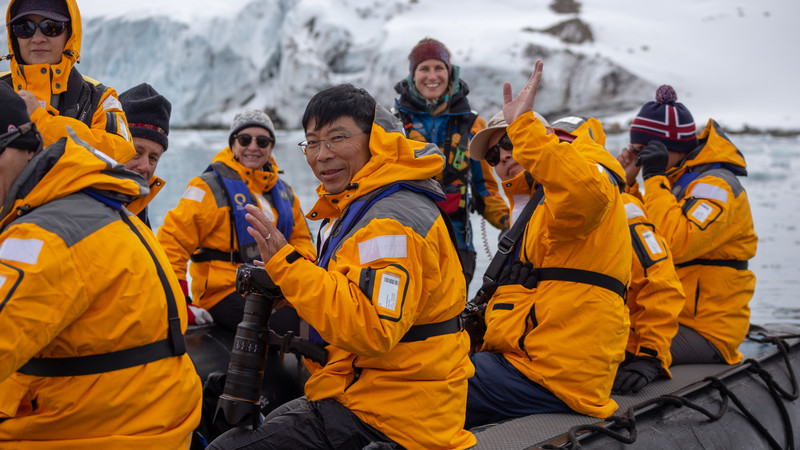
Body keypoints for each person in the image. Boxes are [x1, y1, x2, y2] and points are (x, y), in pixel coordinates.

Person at [208, 84, 475, 449]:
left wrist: (289, 268)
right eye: (312, 142)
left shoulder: (390, 221)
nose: (322, 155)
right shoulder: (362, 205)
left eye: (337, 138)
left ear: (375, 141)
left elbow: (371, 329)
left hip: (394, 416)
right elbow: (346, 287)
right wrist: (291, 282)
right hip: (368, 391)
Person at [0, 83, 201, 447]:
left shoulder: (45, 234)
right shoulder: (101, 210)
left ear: (27, 147)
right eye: (136, 152)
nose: (143, 165)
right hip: (146, 421)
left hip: (99, 431)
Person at [464, 60, 631, 428]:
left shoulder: (584, 176)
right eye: (494, 155)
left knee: (424, 388)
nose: (504, 156)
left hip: (555, 374)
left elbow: (581, 195)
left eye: (509, 143)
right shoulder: (529, 209)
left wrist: (527, 130)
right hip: (527, 362)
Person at [618, 85, 757, 365]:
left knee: (612, 352)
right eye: (635, 149)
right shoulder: (673, 180)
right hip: (663, 317)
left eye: (645, 151)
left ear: (670, 147)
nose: (640, 158)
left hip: (705, 328)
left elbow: (672, 245)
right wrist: (625, 182)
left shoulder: (717, 187)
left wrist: (654, 177)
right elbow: (633, 230)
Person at [550, 116, 686, 394]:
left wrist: (650, 355)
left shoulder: (624, 209)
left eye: (568, 146)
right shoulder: (540, 210)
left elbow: (660, 283)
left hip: (611, 348)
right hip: (560, 348)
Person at [157, 109, 316, 331]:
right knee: (280, 325)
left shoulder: (285, 193)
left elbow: (301, 239)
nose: (253, 147)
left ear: (270, 147)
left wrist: (300, 269)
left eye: (262, 141)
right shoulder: (208, 187)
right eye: (244, 139)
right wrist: (178, 300)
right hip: (222, 291)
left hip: (276, 288)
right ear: (233, 144)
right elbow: (172, 242)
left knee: (316, 316)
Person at [392, 37, 509, 289]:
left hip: (457, 244)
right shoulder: (392, 125)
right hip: (403, 243)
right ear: (413, 76)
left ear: (450, 73)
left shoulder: (472, 124)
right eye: (424, 68)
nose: (432, 76)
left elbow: (485, 188)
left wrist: (510, 223)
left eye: (439, 68)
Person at [2, 0, 135, 163]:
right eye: (24, 28)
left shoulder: (99, 99)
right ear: (13, 36)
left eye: (51, 27)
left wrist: (41, 122)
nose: (37, 38)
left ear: (70, 33)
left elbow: (119, 152)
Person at [119, 82, 171, 228]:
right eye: (136, 153)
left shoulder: (137, 209)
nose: (145, 167)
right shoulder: (81, 207)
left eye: (153, 158)